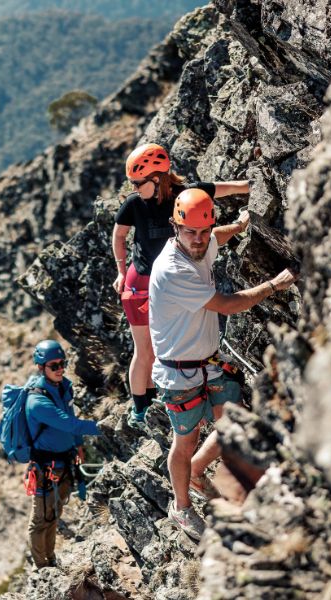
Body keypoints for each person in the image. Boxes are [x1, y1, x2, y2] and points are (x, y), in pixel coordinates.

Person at [148, 188, 296, 540]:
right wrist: (275, 285)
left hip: (205, 362)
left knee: (234, 423)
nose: (198, 240)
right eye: (190, 232)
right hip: (177, 372)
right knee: (185, 441)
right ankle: (181, 508)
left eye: (202, 231)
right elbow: (227, 304)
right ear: (175, 228)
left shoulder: (199, 243)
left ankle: (199, 470)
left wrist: (240, 226)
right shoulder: (173, 269)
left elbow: (215, 237)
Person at [112, 143, 250, 427]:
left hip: (174, 280)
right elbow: (119, 235)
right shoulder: (134, 204)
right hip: (142, 282)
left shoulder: (184, 197)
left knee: (174, 342)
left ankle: (166, 399)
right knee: (146, 349)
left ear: (156, 179)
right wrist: (120, 271)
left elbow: (215, 188)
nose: (134, 188)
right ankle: (141, 410)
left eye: (138, 183)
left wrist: (248, 187)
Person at [24, 339, 100, 569]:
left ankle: (51, 560)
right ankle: (42, 566)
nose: (60, 369)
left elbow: (70, 414)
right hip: (46, 466)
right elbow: (69, 424)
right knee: (40, 520)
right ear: (41, 367)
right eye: (53, 365)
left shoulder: (62, 387)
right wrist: (102, 427)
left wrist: (78, 446)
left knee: (54, 514)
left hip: (63, 461)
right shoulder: (37, 401)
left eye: (62, 363)